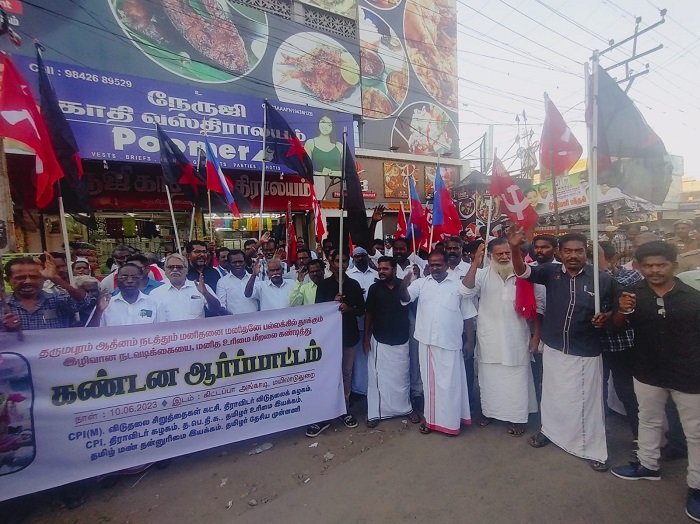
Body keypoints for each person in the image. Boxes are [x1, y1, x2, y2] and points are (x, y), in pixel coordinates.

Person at [510, 228, 614, 472]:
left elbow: (620, 310)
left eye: (578, 251)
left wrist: (607, 316)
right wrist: (515, 249)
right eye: (568, 251)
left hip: (585, 350)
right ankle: (550, 432)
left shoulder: (601, 279)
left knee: (586, 403)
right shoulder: (550, 272)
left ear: (585, 252)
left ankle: (593, 448)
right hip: (554, 346)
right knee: (553, 397)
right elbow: (522, 272)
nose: (573, 255)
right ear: (560, 253)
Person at [610, 241, 700, 523]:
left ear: (673, 265)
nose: (654, 270)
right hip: (647, 370)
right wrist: (623, 311)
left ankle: (696, 487)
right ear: (639, 267)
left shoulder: (692, 297)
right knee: (649, 420)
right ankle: (648, 466)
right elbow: (617, 326)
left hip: (689, 373)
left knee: (695, 433)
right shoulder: (633, 295)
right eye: (647, 265)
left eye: (660, 265)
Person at [461, 239, 542, 437]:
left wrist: (536, 337)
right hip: (490, 338)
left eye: (508, 253)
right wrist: (475, 263)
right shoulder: (482, 274)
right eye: (500, 254)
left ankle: (517, 418)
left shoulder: (525, 273)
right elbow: (465, 291)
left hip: (517, 338)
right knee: (490, 379)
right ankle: (490, 412)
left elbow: (539, 307)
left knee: (516, 380)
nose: (505, 257)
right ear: (491, 256)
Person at [399, 251, 476, 436]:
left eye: (438, 264)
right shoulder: (421, 284)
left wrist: (470, 342)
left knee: (451, 385)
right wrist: (403, 283)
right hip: (427, 343)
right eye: (432, 265)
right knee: (430, 385)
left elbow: (468, 317)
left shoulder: (459, 286)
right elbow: (406, 298)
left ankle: (452, 421)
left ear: (446, 264)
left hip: (451, 343)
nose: (435, 268)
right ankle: (431, 421)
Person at [306, 250, 364, 437]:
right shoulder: (324, 285)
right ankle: (324, 414)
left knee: (346, 373)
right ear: (331, 263)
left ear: (348, 263)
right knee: (329, 374)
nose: (341, 264)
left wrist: (348, 308)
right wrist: (332, 303)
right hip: (329, 338)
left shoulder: (354, 285)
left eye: (344, 260)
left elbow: (361, 310)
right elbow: (318, 310)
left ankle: (344, 409)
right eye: (337, 260)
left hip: (348, 335)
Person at [363, 256, 420, 428]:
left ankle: (406, 409)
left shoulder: (405, 286)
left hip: (401, 339)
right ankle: (375, 413)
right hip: (380, 340)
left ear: (394, 270)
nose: (381, 272)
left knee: (402, 378)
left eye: (385, 269)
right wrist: (366, 338)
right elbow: (369, 314)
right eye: (379, 269)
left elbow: (415, 308)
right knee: (377, 380)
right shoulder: (374, 289)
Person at [597, 242, 640, 442]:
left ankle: (640, 437)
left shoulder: (628, 275)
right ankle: (598, 433)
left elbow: (626, 297)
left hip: (622, 345)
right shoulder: (587, 278)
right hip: (597, 346)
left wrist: (604, 269)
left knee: (626, 391)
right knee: (597, 391)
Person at [2, 254, 94, 332]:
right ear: (8, 280)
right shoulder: (3, 307)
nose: (28, 281)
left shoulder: (57, 300)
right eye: (20, 278)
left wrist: (55, 278)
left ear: (43, 278)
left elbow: (85, 301)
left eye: (34, 277)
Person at [346, 247, 378, 398]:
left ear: (367, 257)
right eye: (356, 256)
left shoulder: (376, 274)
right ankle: (359, 389)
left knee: (374, 355)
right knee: (359, 357)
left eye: (362, 256)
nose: (360, 259)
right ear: (353, 259)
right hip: (357, 321)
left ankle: (375, 386)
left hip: (376, 321)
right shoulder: (347, 276)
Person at [150, 254, 220, 321]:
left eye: (179, 267)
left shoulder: (200, 287)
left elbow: (216, 309)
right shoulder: (156, 293)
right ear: (165, 271)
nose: (175, 270)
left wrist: (206, 294)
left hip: (195, 332)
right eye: (170, 267)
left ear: (186, 270)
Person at [88, 263, 162, 327]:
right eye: (124, 277)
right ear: (116, 281)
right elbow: (91, 334)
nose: (130, 281)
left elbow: (163, 332)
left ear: (141, 280)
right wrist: (98, 311)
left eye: (135, 277)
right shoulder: (105, 305)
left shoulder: (155, 304)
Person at [216, 250, 260, 314]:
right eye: (234, 262)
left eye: (240, 262)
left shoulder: (256, 279)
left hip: (255, 321)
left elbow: (260, 300)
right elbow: (221, 305)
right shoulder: (222, 282)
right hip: (233, 322)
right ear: (228, 263)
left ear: (245, 262)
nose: (238, 264)